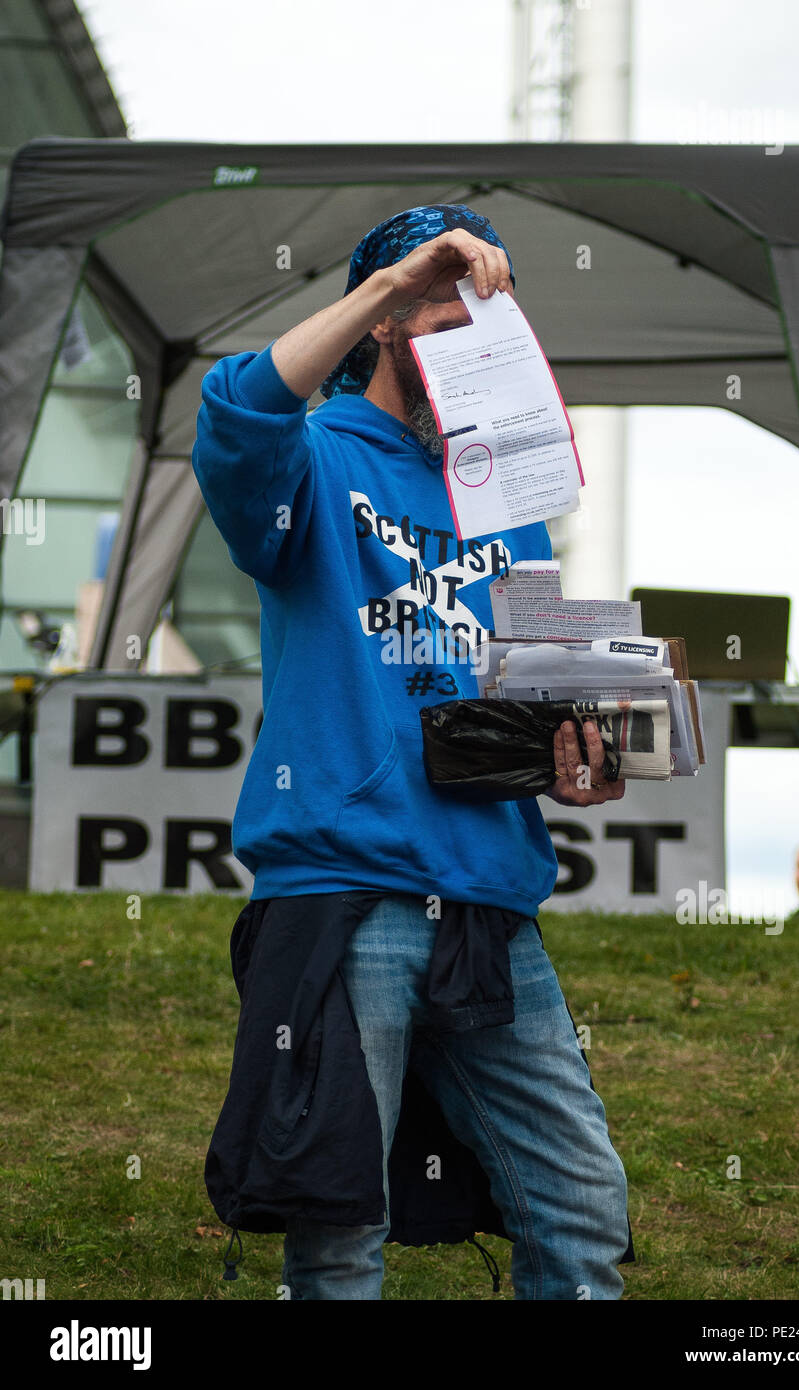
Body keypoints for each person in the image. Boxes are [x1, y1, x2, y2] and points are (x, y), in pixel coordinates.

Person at [192, 204, 632, 1300]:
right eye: (450, 303)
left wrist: (578, 755)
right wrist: (397, 281)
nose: (480, 329)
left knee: (582, 1206)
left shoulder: (507, 488)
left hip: (492, 900)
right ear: (385, 322)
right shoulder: (315, 452)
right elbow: (235, 408)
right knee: (338, 1228)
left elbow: (534, 692)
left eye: (496, 308)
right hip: (348, 894)